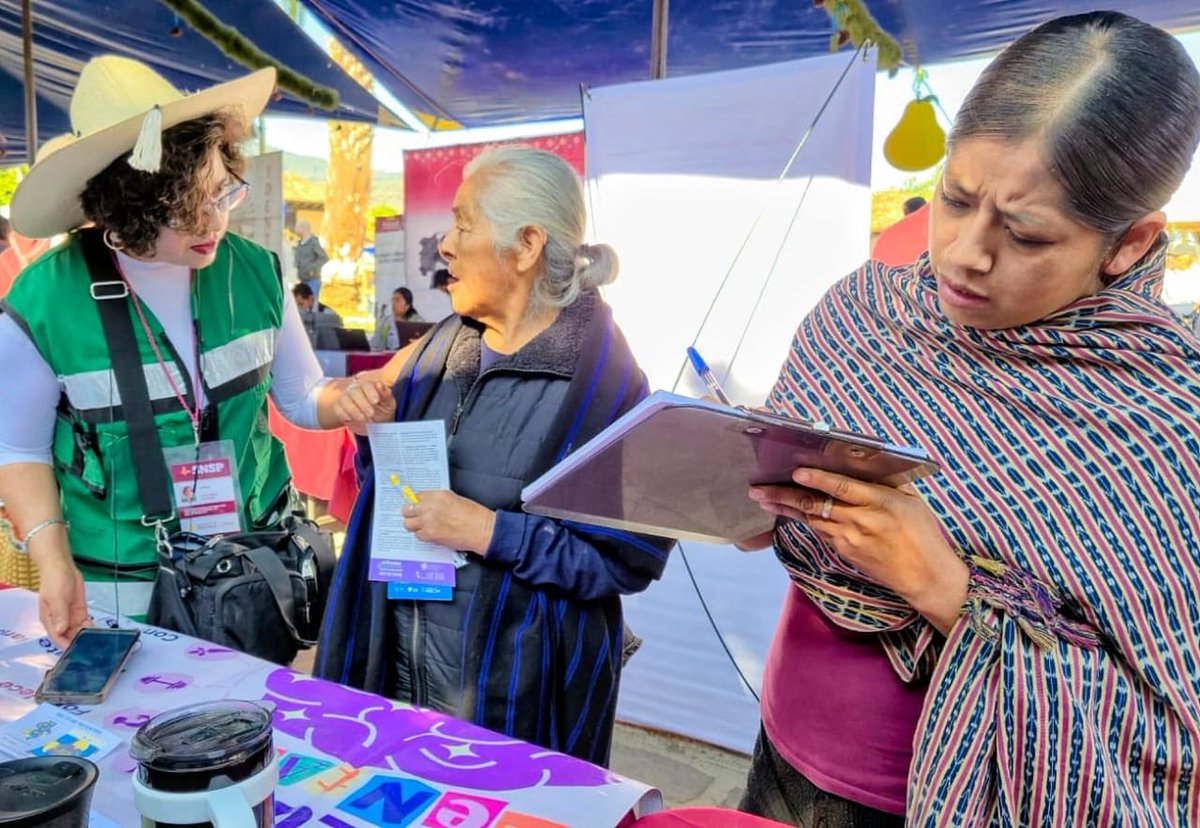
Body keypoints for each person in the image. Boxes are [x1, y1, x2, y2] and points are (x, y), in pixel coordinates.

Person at [737, 11, 1200, 826]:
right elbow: (783, 492)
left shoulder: (1162, 416)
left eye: (1024, 234)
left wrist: (944, 586)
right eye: (954, 199)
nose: (963, 254)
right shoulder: (867, 311)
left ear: (1130, 243)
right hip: (784, 749)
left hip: (933, 799)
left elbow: (1167, 732)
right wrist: (746, 491)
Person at [317, 145, 674, 766]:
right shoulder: (437, 353)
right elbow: (391, 494)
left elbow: (626, 562)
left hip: (516, 696)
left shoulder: (606, 389)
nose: (446, 245)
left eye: (463, 222)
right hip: (399, 667)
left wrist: (489, 531)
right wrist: (373, 430)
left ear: (527, 244)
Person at [0, 55, 355, 647]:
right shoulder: (43, 300)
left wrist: (349, 401)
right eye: (185, 210)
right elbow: (18, 448)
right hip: (118, 591)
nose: (212, 223)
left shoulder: (257, 270)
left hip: (252, 571)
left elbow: (300, 396)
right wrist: (54, 561)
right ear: (125, 208)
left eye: (221, 195)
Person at [372, 286, 424, 350]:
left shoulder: (417, 322)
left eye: (397, 300)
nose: (393, 303)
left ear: (407, 305)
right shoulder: (386, 321)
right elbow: (375, 344)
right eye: (393, 300)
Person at [293, 219, 328, 301]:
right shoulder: (299, 244)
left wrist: (313, 269)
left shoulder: (314, 242)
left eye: (298, 227)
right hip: (302, 279)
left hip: (312, 281)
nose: (295, 229)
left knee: (311, 304)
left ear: (304, 228)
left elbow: (324, 258)